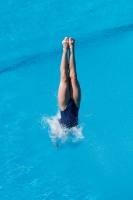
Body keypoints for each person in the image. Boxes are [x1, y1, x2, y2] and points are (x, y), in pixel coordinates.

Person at [58, 37, 81, 128]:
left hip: (64, 107)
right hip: (76, 105)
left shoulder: (61, 131)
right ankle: (71, 49)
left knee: (64, 78)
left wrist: (55, 142)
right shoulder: (74, 131)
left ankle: (65, 50)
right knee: (74, 77)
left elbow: (54, 132)